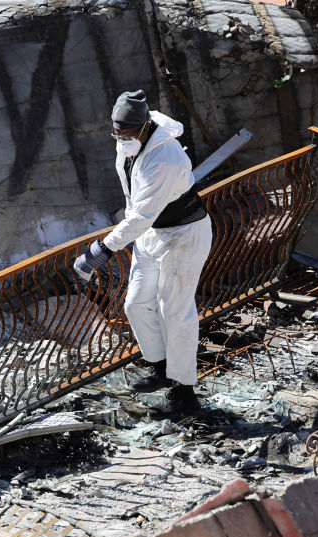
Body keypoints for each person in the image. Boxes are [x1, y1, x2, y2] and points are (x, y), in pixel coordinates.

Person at [73, 90, 212, 416]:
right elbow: (134, 201)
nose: (121, 139)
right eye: (116, 133)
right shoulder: (131, 143)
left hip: (182, 235)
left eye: (127, 133)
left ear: (144, 126)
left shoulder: (164, 158)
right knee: (136, 304)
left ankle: (184, 393)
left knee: (174, 310)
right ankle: (161, 368)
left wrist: (101, 249)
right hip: (152, 234)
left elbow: (140, 215)